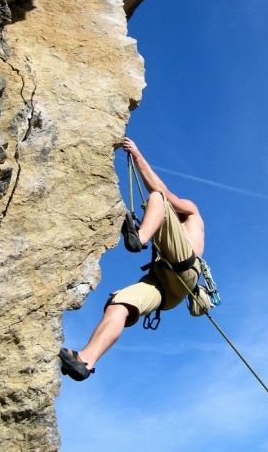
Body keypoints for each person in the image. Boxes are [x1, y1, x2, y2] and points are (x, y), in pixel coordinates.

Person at [58, 137, 206, 381]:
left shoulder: (191, 212)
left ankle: (140, 236)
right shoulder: (168, 234)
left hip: (184, 269)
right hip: (164, 287)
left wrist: (137, 155)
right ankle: (86, 360)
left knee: (158, 198)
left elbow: (163, 193)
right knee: (119, 303)